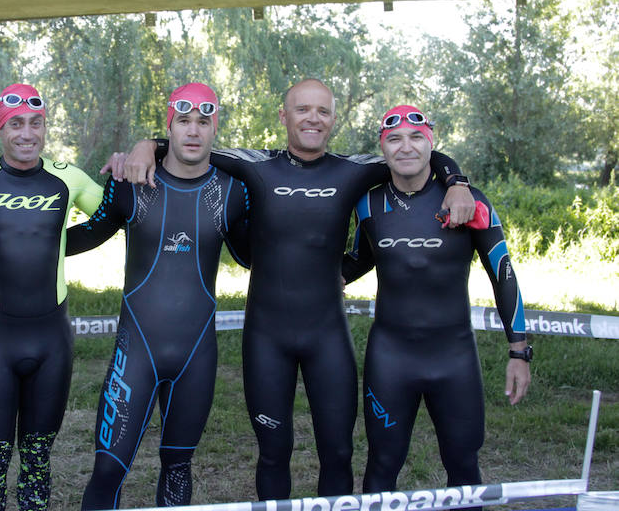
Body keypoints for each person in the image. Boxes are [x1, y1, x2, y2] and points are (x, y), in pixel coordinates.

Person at [118, 78, 476, 499]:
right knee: (273, 452)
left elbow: (422, 153)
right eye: (303, 109)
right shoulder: (256, 164)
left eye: (323, 111)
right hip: (267, 338)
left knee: (338, 452)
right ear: (284, 116)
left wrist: (457, 180)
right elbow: (189, 143)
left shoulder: (354, 170)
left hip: (328, 337)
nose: (313, 118)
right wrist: (148, 145)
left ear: (334, 120)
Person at [70, 83, 249, 509]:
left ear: (214, 129)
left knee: (178, 468)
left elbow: (256, 255)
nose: (193, 131)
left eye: (203, 122)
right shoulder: (132, 180)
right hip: (137, 353)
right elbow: (87, 235)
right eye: (184, 121)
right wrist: (21, 245)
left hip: (196, 357)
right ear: (169, 124)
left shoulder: (233, 191)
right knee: (108, 470)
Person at [342, 105, 530, 502]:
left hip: (454, 357)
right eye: (394, 139)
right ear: (383, 148)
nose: (405, 147)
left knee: (463, 463)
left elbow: (504, 274)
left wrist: (519, 351)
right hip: (390, 358)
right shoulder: (369, 205)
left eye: (416, 138)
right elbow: (356, 261)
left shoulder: (468, 201)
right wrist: (297, 276)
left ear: (432, 143)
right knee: (382, 462)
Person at [0, 83, 104, 511]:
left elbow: (110, 217)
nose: (27, 133)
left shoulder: (66, 176)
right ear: (0, 128)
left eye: (36, 123)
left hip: (52, 340)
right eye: (15, 124)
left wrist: (142, 155)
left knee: (37, 460)